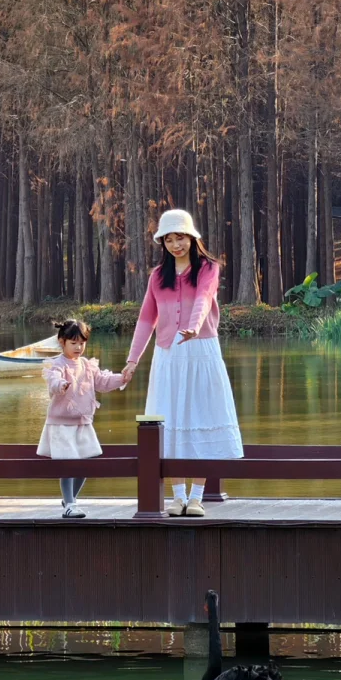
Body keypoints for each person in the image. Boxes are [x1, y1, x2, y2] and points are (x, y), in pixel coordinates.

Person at [123, 209, 243, 517]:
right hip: (168, 355)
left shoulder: (208, 268)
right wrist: (132, 360)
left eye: (181, 238)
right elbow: (146, 319)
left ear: (192, 238)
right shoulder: (156, 277)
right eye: (169, 239)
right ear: (162, 242)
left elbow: (203, 297)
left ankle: (197, 496)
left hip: (201, 350)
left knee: (200, 416)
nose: (176, 245)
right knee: (171, 419)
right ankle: (176, 497)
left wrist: (193, 325)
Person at [37, 318, 127, 519]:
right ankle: (70, 504)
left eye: (82, 343)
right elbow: (53, 380)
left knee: (87, 461)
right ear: (62, 342)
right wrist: (61, 385)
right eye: (73, 343)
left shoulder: (87, 365)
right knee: (67, 464)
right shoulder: (58, 364)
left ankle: (70, 499)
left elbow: (102, 382)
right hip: (61, 423)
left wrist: (121, 378)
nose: (78, 347)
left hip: (83, 422)